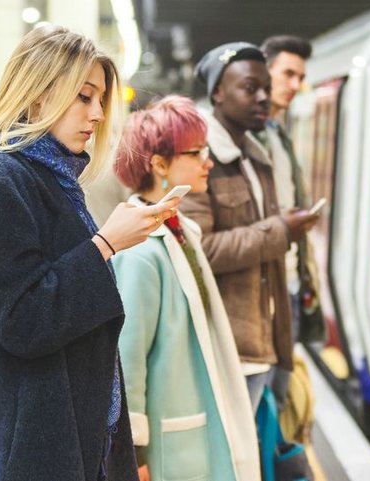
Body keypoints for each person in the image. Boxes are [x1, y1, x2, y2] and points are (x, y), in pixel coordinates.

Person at [0, 26, 179, 481]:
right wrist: (106, 244)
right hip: (24, 450)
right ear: (36, 96)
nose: (96, 114)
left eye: (101, 100)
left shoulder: (51, 180)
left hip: (64, 437)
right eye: (83, 97)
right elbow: (22, 320)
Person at [112, 95, 260, 481]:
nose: (208, 162)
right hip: (168, 446)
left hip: (192, 428)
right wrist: (135, 453)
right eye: (196, 153)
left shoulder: (180, 229)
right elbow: (128, 359)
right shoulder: (140, 252)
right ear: (159, 164)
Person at [181, 42, 317, 412]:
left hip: (263, 340)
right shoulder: (199, 157)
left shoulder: (256, 158)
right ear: (218, 93)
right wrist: (282, 231)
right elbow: (199, 251)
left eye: (265, 89)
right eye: (249, 88)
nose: (263, 98)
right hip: (227, 350)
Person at [255, 35, 326, 407]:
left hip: (291, 284)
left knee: (278, 399)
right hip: (264, 292)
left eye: (300, 77)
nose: (296, 85)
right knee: (264, 401)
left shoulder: (278, 135)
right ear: (262, 72)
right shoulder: (244, 138)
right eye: (288, 74)